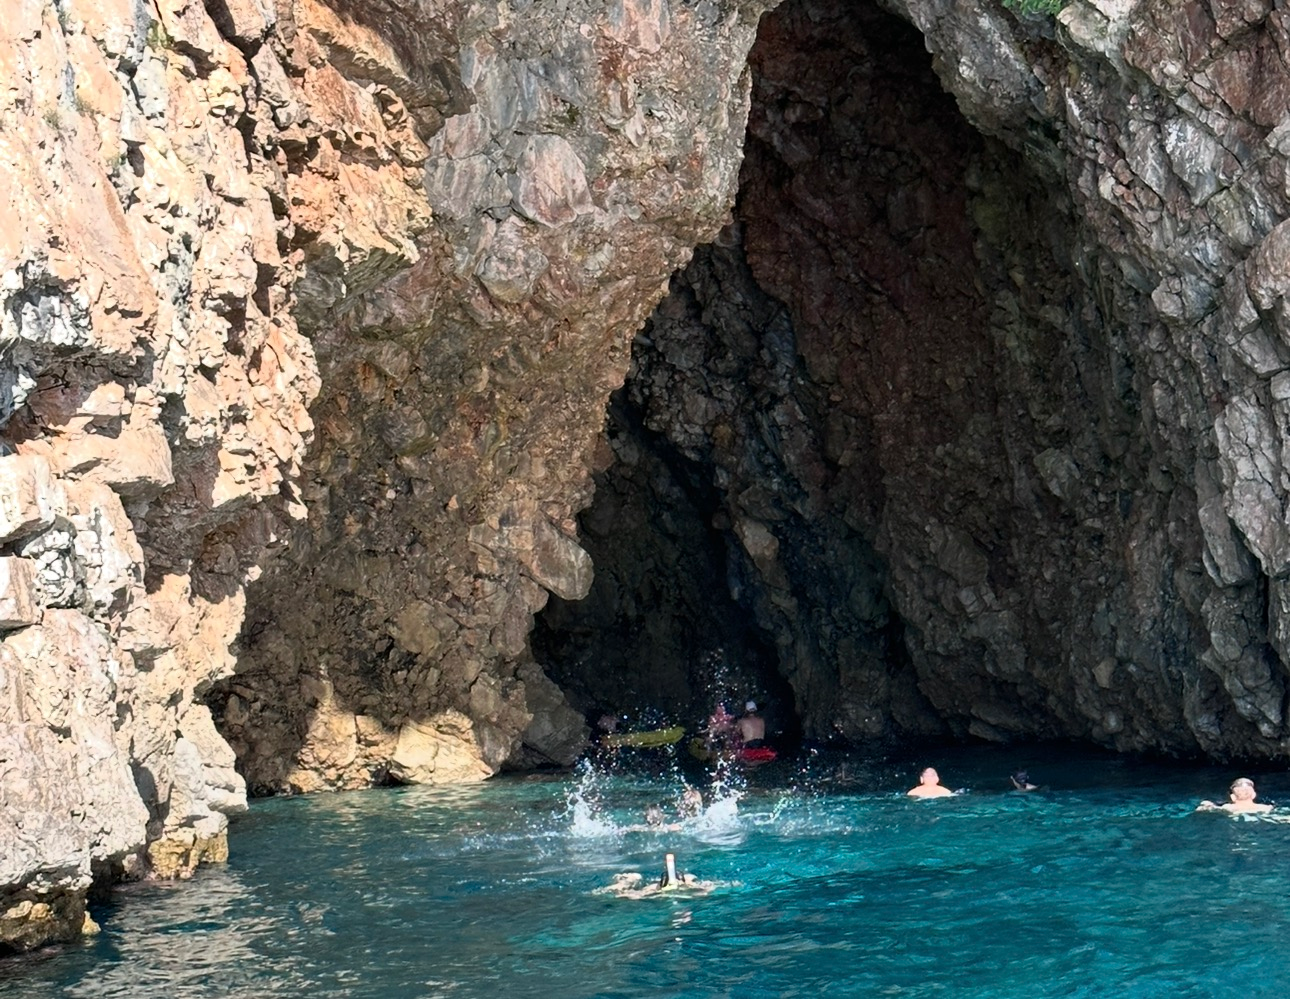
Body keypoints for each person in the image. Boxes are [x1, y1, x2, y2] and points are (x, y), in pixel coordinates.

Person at [1196, 777, 1273, 814]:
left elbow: (1212, 808)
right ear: (1253, 795)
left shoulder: (1228, 807)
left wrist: (1207, 805)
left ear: (1233, 797)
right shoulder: (1266, 808)